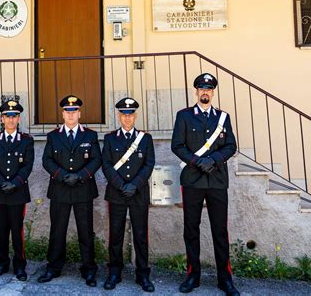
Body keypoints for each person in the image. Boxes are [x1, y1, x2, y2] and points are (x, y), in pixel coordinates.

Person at [171, 73, 239, 296]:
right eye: (201, 89)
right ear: (196, 92)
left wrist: (214, 160)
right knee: (191, 229)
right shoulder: (184, 116)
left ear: (213, 92)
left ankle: (224, 279)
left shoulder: (223, 117)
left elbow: (231, 146)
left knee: (220, 231)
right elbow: (177, 145)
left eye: (209, 89)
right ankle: (193, 276)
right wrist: (197, 161)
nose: (205, 92)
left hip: (217, 180)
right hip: (192, 179)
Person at [38, 95, 102, 287]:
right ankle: (54, 267)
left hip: (83, 189)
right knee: (57, 231)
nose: (71, 114)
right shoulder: (53, 136)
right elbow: (47, 160)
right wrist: (62, 175)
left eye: (74, 111)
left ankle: (89, 269)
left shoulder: (90, 135)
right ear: (63, 113)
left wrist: (80, 176)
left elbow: (96, 159)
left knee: (86, 231)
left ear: (79, 113)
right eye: (68, 111)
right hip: (60, 189)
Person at [101, 97, 155, 292]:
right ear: (119, 116)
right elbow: (106, 164)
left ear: (135, 116)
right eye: (124, 114)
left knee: (141, 235)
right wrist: (121, 184)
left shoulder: (145, 138)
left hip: (138, 193)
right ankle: (114, 272)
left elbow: (149, 164)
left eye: (130, 114)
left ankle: (143, 274)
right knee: (116, 235)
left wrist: (135, 185)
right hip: (117, 193)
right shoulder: (110, 138)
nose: (127, 118)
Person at [0, 99, 34, 281]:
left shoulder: (27, 141)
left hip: (18, 192)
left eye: (14, 116)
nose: (11, 120)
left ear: (19, 119)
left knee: (17, 230)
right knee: (1, 230)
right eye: (7, 116)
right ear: (2, 119)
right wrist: (0, 182)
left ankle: (20, 265)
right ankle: (2, 263)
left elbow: (27, 165)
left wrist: (15, 183)